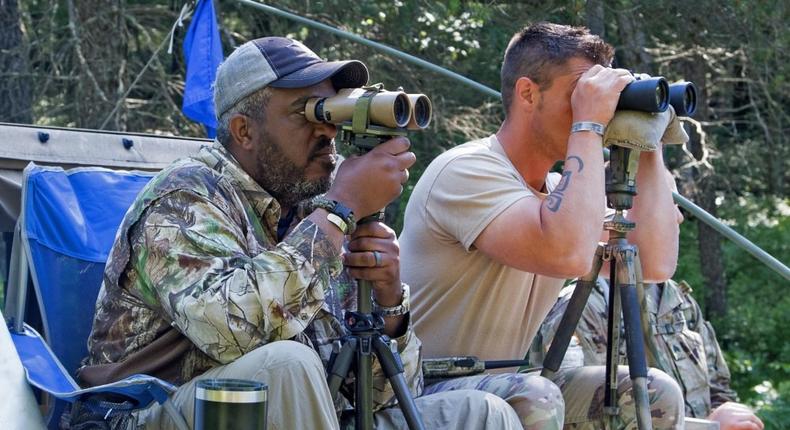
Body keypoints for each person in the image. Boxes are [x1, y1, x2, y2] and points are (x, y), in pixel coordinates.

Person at [79, 37, 525, 429]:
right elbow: (237, 333)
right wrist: (340, 210)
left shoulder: (314, 212)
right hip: (150, 415)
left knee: (486, 415)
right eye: (307, 113)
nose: (328, 130)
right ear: (244, 131)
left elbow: (382, 396)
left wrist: (389, 307)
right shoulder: (185, 195)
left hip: (300, 414)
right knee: (288, 365)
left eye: (331, 110)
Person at [400, 22, 685, 429]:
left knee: (652, 393)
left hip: (505, 388)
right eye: (580, 94)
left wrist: (649, 139)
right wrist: (587, 125)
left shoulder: (560, 193)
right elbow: (565, 252)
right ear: (528, 93)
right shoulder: (466, 169)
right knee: (535, 395)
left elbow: (654, 262)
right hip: (420, 391)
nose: (597, 110)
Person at [531, 180, 764, 430]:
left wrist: (730, 418)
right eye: (664, 203)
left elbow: (719, 391)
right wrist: (707, 426)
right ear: (616, 214)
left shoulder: (679, 302)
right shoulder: (579, 307)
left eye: (676, 204)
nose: (678, 217)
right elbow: (568, 417)